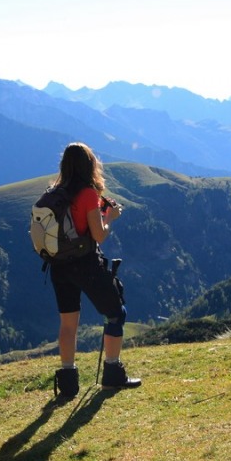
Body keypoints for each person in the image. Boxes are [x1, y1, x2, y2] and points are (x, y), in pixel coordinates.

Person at [48, 142, 141, 401]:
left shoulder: (56, 192)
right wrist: (110, 217)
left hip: (58, 265)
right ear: (90, 165)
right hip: (85, 264)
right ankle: (112, 373)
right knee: (115, 313)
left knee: (68, 324)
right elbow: (98, 235)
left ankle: (68, 384)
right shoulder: (88, 193)